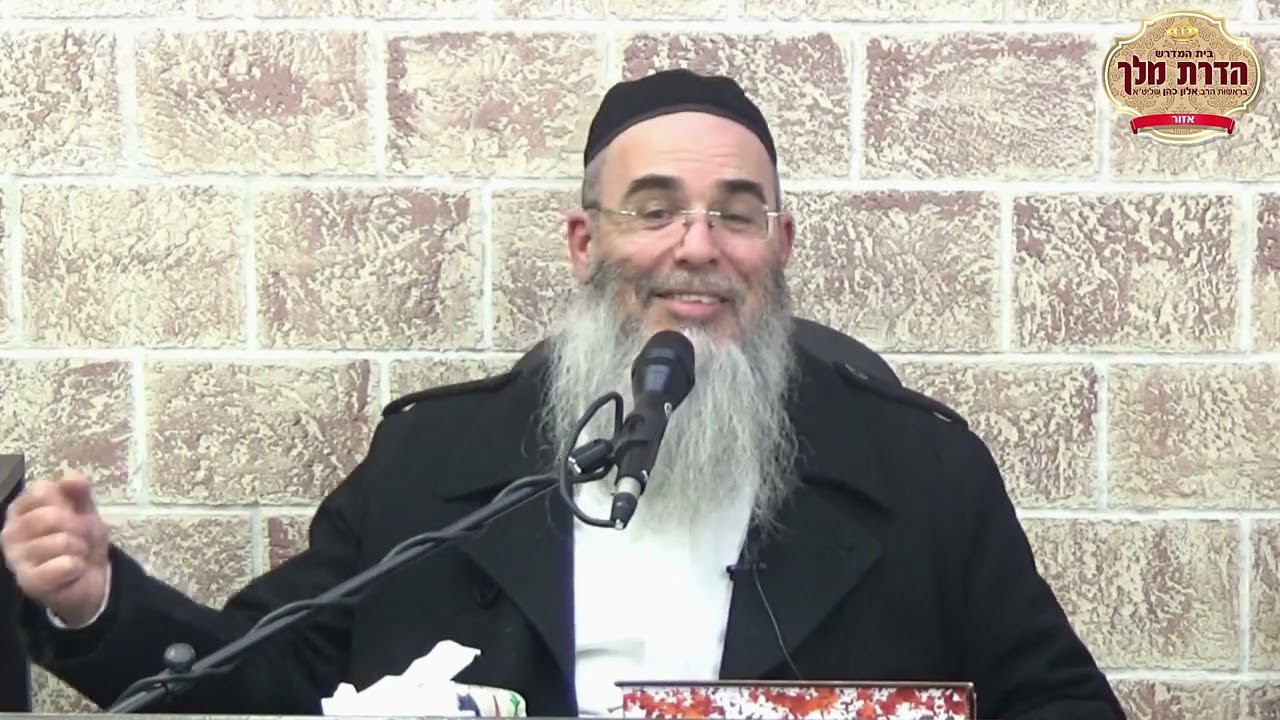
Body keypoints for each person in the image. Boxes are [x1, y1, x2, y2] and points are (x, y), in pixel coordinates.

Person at [1, 68, 1126, 720]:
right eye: (654, 209)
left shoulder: (922, 472)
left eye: (735, 214)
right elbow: (271, 685)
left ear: (778, 247)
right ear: (587, 241)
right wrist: (96, 601)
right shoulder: (437, 465)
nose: (697, 246)